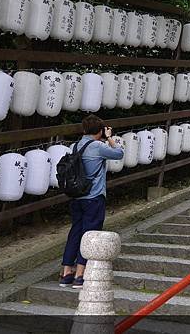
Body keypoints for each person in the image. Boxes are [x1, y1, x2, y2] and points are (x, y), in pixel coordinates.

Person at [59, 114, 124, 289]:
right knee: (90, 234)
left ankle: (66, 272)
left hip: (76, 197)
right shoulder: (97, 146)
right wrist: (110, 138)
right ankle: (80, 274)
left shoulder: (75, 145)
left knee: (75, 232)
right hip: (93, 197)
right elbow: (119, 153)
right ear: (100, 130)